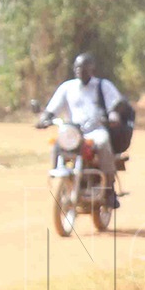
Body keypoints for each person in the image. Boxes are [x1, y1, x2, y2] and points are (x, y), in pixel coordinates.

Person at [36, 53, 123, 207]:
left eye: (83, 67)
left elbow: (115, 105)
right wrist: (45, 118)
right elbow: (52, 109)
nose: (79, 70)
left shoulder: (103, 86)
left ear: (92, 69)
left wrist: (113, 116)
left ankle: (109, 190)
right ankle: (58, 177)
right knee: (57, 144)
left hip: (95, 131)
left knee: (103, 143)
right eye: (76, 67)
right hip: (73, 132)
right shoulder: (67, 87)